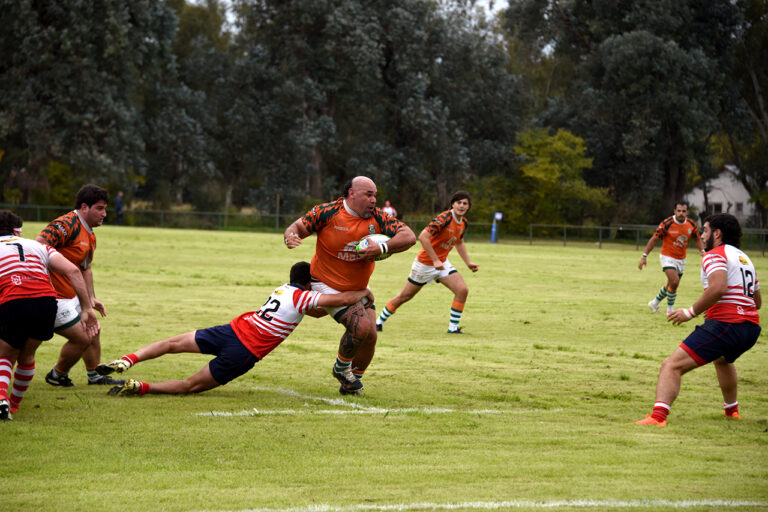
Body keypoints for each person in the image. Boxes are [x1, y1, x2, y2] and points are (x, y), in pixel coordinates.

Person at [98, 262, 374, 396]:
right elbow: (337, 299)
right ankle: (140, 387)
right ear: (311, 282)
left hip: (232, 329)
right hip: (244, 350)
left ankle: (128, 359)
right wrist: (364, 291)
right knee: (189, 386)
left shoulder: (283, 290)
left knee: (172, 343)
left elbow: (314, 312)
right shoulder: (304, 296)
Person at [283, 176, 416, 395]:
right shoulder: (327, 212)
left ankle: (350, 383)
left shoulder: (378, 218)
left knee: (371, 336)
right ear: (351, 193)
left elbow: (409, 236)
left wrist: (382, 249)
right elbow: (297, 226)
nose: (374, 200)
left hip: (358, 286)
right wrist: (291, 236)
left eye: (375, 195)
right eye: (369, 194)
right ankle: (341, 368)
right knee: (361, 327)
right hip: (327, 284)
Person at [636, 213, 761, 427]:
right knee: (723, 360)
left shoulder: (714, 254)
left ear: (717, 233)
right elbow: (756, 301)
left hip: (726, 325)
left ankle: (658, 417)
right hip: (750, 328)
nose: (702, 236)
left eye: (705, 230)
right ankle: (732, 412)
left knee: (671, 366)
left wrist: (690, 312)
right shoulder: (744, 258)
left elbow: (718, 287)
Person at [0, 211, 98, 419]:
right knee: (27, 355)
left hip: (13, 300)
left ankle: (2, 399)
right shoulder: (39, 246)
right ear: (16, 231)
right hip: (46, 302)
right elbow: (73, 271)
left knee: (6, 354)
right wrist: (87, 308)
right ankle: (15, 406)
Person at [37, 184, 121, 387]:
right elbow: (37, 246)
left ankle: (95, 375)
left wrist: (91, 298)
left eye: (105, 208)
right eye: (99, 208)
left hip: (71, 294)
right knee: (82, 337)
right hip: (54, 296)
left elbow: (86, 268)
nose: (104, 213)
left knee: (93, 329)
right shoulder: (66, 224)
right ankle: (57, 375)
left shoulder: (90, 234)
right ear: (85, 207)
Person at [376, 190, 478, 334]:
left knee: (462, 290)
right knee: (405, 296)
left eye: (465, 203)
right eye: (459, 202)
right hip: (424, 264)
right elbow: (423, 236)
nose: (461, 206)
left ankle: (453, 328)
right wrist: (435, 260)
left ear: (468, 207)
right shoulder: (444, 218)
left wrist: (468, 263)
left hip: (442, 264)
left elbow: (459, 242)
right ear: (452, 204)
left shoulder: (463, 223)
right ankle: (378, 322)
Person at [639, 201, 705, 315]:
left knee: (671, 284)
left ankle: (654, 303)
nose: (681, 213)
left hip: (681, 259)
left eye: (683, 211)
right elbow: (654, 239)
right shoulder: (667, 223)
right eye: (678, 211)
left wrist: (703, 253)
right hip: (667, 256)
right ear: (674, 211)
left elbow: (698, 239)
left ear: (687, 212)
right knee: (674, 282)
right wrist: (644, 256)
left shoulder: (691, 224)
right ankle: (670, 311)